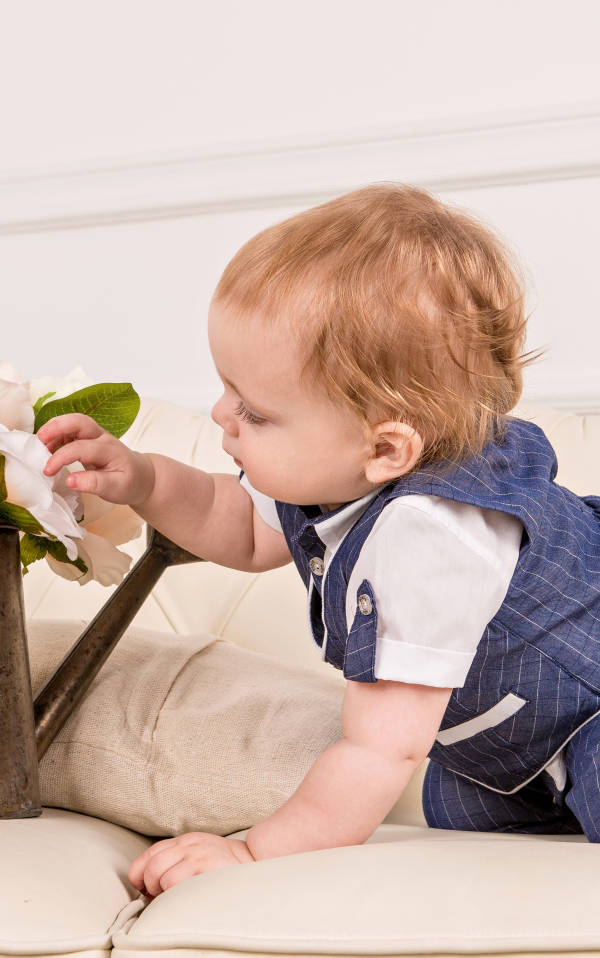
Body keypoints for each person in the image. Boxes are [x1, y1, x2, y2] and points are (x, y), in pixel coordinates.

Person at [38, 184, 600, 899]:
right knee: (469, 830)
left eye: (255, 411)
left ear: (387, 449)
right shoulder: (339, 478)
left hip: (589, 711)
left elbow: (380, 744)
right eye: (225, 388)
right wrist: (143, 478)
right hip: (507, 747)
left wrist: (253, 853)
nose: (220, 413)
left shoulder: (432, 534)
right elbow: (237, 523)